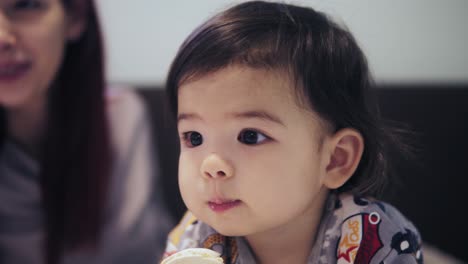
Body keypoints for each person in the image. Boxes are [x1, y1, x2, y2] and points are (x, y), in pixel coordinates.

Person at [161, 1, 423, 263]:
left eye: (250, 136)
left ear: (334, 160)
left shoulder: (374, 237)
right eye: (194, 137)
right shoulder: (194, 239)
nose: (212, 165)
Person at [0, 0, 172, 263]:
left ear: (75, 19)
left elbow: (142, 251)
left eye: (25, 5)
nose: (2, 37)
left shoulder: (121, 117)